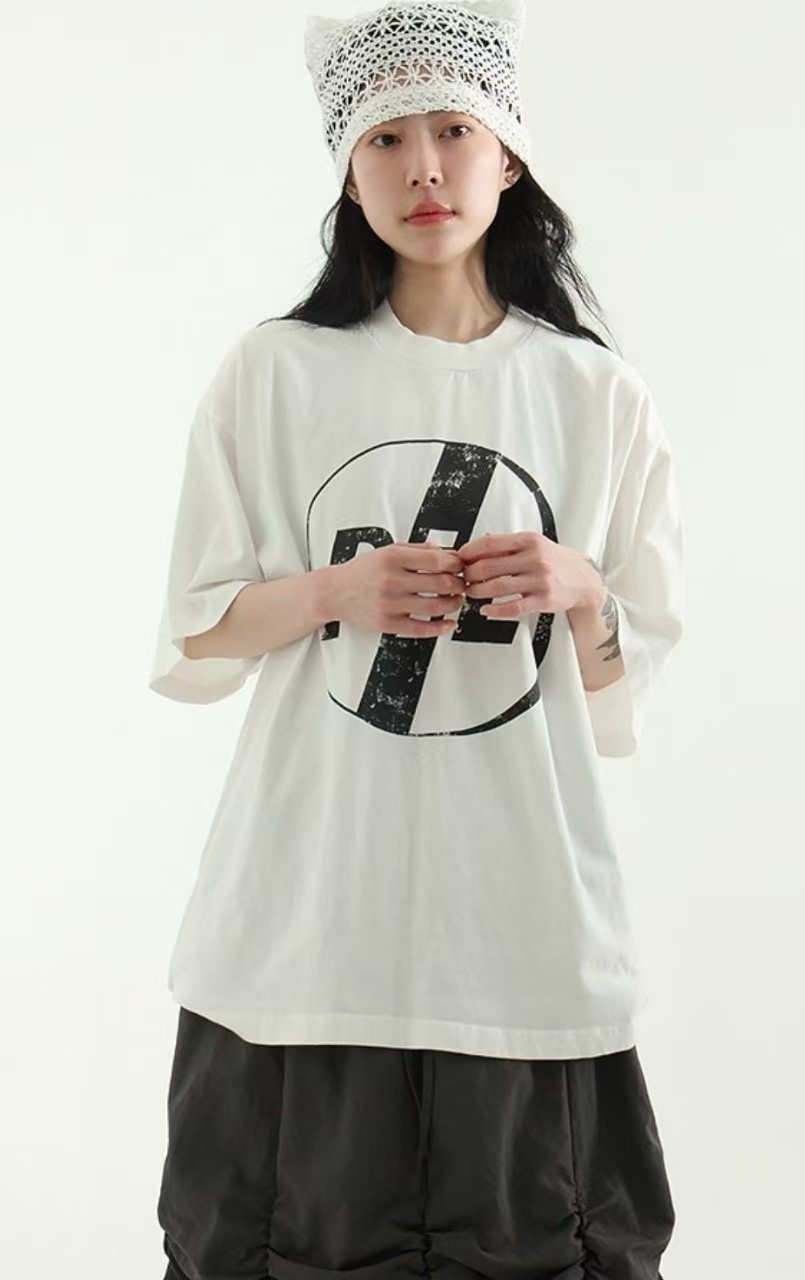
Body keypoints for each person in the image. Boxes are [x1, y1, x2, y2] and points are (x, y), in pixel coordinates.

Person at [149, 1, 685, 1277]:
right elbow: (197, 629)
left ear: (510, 154)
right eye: (385, 139)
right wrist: (335, 592)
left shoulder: (594, 394)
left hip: (520, 913)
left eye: (454, 130)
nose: (424, 168)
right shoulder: (275, 373)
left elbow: (623, 673)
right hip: (310, 908)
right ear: (347, 172)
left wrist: (578, 586)